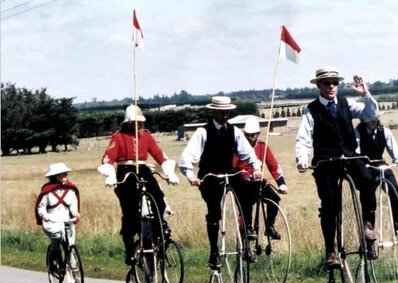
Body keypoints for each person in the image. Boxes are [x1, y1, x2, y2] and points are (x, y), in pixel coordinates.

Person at [295, 67, 379, 269]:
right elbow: (304, 138)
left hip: (349, 156)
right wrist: (302, 159)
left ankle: (368, 225)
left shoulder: (346, 103)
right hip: (326, 161)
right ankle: (330, 251)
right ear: (318, 85)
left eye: (335, 82)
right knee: (330, 205)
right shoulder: (311, 110)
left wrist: (365, 94)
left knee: (368, 181)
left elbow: (370, 114)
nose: (331, 86)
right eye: (326, 83)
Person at [178, 96, 262, 269]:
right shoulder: (203, 132)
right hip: (210, 175)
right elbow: (188, 156)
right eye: (221, 112)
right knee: (214, 209)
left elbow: (247, 152)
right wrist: (190, 175)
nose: (224, 115)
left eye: (227, 112)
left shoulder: (234, 131)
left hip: (229, 173)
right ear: (213, 112)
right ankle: (214, 251)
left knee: (247, 189)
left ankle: (247, 236)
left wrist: (256, 167)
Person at [97, 104, 179, 266]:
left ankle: (158, 232)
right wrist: (111, 174)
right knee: (130, 211)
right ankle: (129, 247)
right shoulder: (118, 137)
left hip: (142, 168)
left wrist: (169, 172)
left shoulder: (146, 136)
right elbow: (108, 158)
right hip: (125, 170)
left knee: (158, 197)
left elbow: (159, 154)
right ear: (127, 123)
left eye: (140, 122)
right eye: (135, 123)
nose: (138, 126)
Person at [355, 111, 398, 237]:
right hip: (364, 165)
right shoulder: (358, 132)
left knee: (395, 190)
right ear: (363, 120)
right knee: (368, 193)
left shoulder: (385, 132)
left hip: (380, 163)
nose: (371, 121)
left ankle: (397, 224)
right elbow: (356, 151)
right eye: (368, 119)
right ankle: (368, 228)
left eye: (374, 118)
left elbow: (396, 154)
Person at [234, 115, 289, 239]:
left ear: (258, 133)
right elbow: (233, 167)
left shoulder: (262, 147)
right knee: (246, 200)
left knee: (274, 198)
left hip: (257, 182)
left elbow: (274, 166)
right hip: (242, 183)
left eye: (253, 135)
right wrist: (245, 175)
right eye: (248, 134)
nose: (250, 137)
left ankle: (269, 226)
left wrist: (281, 183)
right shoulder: (239, 147)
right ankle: (247, 227)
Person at [35, 163, 81, 273]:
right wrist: (45, 217)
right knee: (57, 237)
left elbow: (73, 204)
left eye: (66, 173)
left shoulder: (71, 189)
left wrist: (75, 214)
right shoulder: (47, 191)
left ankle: (73, 265)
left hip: (66, 219)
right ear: (56, 176)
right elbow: (41, 207)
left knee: (70, 242)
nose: (66, 174)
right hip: (52, 221)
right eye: (63, 173)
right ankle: (53, 257)